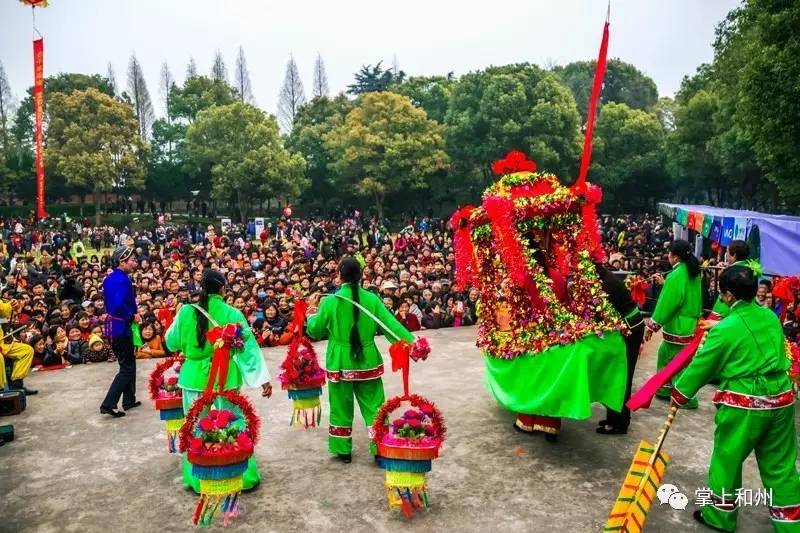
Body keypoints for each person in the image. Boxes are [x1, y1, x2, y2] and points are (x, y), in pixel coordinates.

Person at [671, 265, 800, 532]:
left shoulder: (726, 328)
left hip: (746, 403)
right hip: (783, 397)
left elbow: (701, 366)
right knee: (781, 466)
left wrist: (679, 393)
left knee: (727, 459)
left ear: (728, 295)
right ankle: (791, 525)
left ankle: (720, 516)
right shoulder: (769, 317)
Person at [165, 269, 272, 494]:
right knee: (234, 423)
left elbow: (171, 342)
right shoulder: (232, 313)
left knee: (195, 424)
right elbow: (249, 349)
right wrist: (262, 379)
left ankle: (199, 479)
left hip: (193, 377)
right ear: (223, 288)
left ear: (201, 287)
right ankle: (243, 476)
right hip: (225, 376)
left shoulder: (185, 312)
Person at [306, 257, 415, 464]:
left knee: (340, 406)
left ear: (339, 276)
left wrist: (311, 311)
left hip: (340, 361)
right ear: (361, 275)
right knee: (375, 406)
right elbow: (391, 325)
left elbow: (314, 330)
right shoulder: (372, 299)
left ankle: (343, 450)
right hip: (367, 361)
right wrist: (413, 343)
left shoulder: (330, 301)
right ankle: (381, 448)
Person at [645, 239, 703, 409]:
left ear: (675, 256)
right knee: (669, 355)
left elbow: (668, 303)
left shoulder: (676, 275)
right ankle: (664, 389)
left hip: (678, 324)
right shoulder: (692, 271)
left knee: (675, 359)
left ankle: (684, 396)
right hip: (690, 322)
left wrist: (652, 326)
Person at [595, 262, 645, 435]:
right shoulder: (601, 277)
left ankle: (620, 423)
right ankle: (613, 418)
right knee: (615, 373)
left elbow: (600, 314)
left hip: (631, 328)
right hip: (625, 327)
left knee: (622, 376)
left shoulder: (603, 283)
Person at [99, 246, 140, 418]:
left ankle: (129, 399)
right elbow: (118, 305)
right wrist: (132, 316)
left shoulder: (110, 278)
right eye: (132, 260)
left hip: (114, 326)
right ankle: (109, 403)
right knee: (127, 368)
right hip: (121, 326)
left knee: (129, 361)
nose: (135, 263)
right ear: (122, 261)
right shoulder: (123, 280)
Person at [0, 297, 37, 394]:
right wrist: (9, 306)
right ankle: (1, 391)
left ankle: (16, 384)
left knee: (26, 351)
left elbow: (5, 312)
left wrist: (14, 305)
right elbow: (4, 310)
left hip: (3, 342)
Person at [709, 240, 749, 318]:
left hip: (726, 313)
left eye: (727, 252)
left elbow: (725, 297)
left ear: (734, 255)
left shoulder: (730, 272)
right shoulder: (750, 269)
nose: (726, 256)